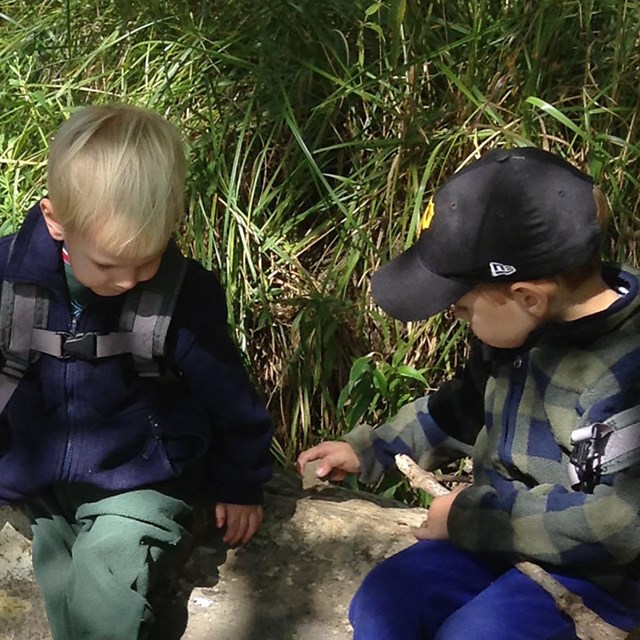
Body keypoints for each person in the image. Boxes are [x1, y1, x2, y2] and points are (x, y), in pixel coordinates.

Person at [298, 147, 640, 639]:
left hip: (599, 571)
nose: (456, 320)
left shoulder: (624, 372)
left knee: (479, 634)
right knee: (385, 603)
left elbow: (618, 525)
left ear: (528, 297)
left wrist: (470, 517)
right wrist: (374, 448)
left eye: (460, 308)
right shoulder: (519, 334)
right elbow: (462, 409)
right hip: (501, 532)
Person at [0, 104, 273, 639]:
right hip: (38, 475)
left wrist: (241, 482)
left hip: (142, 475)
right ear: (55, 221)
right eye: (107, 264)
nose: (127, 281)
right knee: (60, 577)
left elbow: (230, 397)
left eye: (145, 261)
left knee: (108, 572)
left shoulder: (184, 294)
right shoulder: (9, 279)